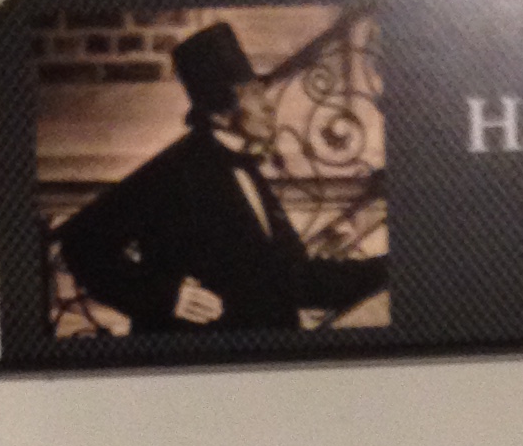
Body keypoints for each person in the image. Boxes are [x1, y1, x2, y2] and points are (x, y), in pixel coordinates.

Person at [58, 20, 388, 334]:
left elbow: (292, 277)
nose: (268, 106)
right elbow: (81, 243)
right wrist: (167, 297)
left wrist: (390, 269)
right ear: (219, 113)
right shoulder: (173, 172)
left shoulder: (246, 167)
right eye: (252, 94)